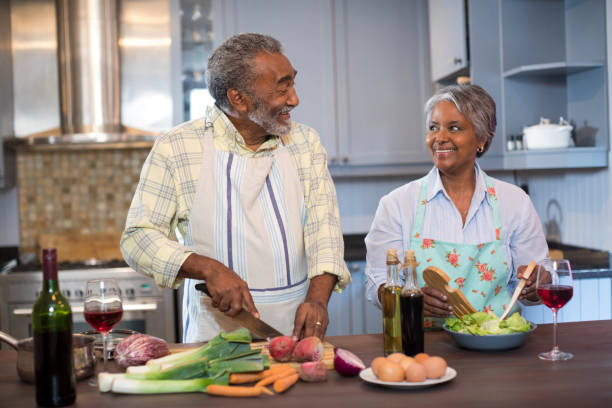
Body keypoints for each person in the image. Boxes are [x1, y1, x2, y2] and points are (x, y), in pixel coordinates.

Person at [121, 33, 350, 342]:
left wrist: (318, 301)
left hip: (294, 331)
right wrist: (209, 269)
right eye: (283, 88)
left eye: (293, 83)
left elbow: (325, 230)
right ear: (238, 99)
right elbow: (138, 238)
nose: (295, 99)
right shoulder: (176, 147)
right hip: (214, 336)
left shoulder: (305, 143)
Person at [364, 84, 548, 329]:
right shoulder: (397, 204)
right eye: (433, 128)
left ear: (482, 138)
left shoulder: (515, 202)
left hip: (497, 347)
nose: (439, 138)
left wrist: (537, 286)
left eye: (454, 128)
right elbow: (375, 280)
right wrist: (406, 299)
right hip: (423, 348)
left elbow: (536, 281)